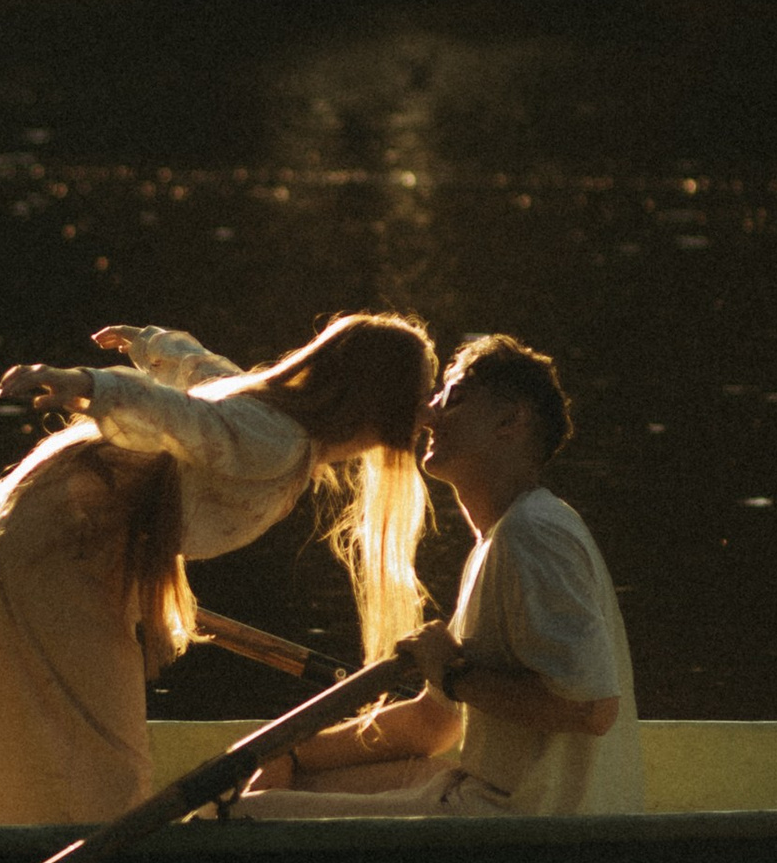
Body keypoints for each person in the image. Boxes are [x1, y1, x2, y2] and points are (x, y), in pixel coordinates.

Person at [0, 312, 438, 825]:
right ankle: (101, 851)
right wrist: (88, 384)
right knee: (102, 738)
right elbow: (185, 417)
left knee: (71, 713)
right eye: (423, 394)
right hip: (68, 541)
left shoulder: (273, 427)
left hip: (72, 533)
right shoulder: (280, 442)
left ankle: (26, 822)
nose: (430, 412)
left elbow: (210, 379)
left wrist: (155, 347)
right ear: (382, 399)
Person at [244, 332, 643, 817]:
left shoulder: (533, 533)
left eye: (452, 398)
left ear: (510, 421)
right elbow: (434, 724)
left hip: (519, 819)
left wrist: (454, 673)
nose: (429, 414)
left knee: (242, 814)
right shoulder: (500, 537)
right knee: (293, 778)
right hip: (484, 792)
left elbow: (592, 709)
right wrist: (288, 749)